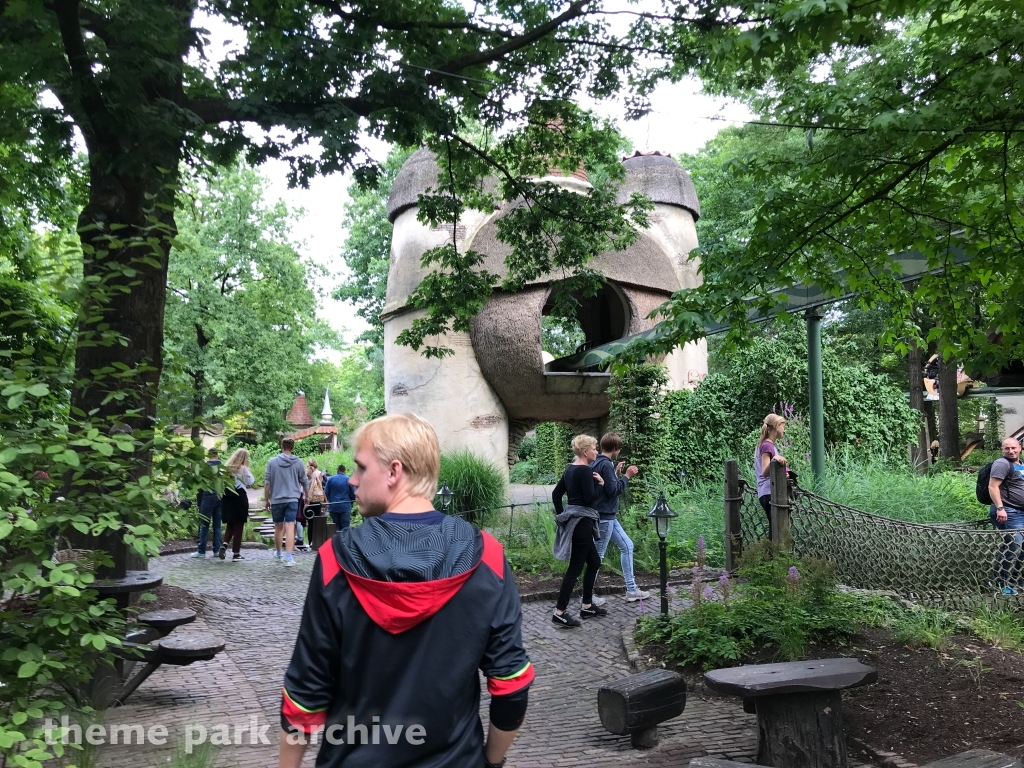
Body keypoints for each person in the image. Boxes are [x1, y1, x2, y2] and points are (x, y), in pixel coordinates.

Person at [278, 413, 532, 768]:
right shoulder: (487, 555)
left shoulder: (335, 560)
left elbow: (305, 694)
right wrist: (490, 761)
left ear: (394, 472)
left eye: (361, 468)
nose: (352, 480)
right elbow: (511, 682)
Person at [550, 434, 606, 628]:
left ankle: (587, 606)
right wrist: (601, 485)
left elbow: (556, 494)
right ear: (585, 451)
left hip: (576, 520)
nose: (597, 452)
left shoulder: (570, 469)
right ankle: (560, 612)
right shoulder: (584, 471)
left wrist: (562, 517)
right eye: (594, 448)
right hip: (582, 523)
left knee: (594, 562)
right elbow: (590, 501)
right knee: (575, 568)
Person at [590, 433, 651, 602]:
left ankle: (631, 590)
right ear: (615, 449)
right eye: (619, 448)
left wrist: (617, 473)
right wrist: (627, 476)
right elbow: (613, 491)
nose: (620, 450)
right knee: (598, 555)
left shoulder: (599, 462)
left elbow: (607, 487)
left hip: (607, 516)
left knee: (627, 546)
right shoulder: (606, 464)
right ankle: (587, 596)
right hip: (604, 517)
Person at [264, 438, 308, 568]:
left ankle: (278, 553)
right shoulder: (299, 462)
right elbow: (305, 481)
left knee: (278, 527)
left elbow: (267, 483)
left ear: (281, 447)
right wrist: (307, 495)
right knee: (290, 526)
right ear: (292, 448)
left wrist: (266, 499)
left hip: (277, 499)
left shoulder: (272, 462)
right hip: (292, 499)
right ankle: (288, 557)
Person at [988, 437, 1024, 594]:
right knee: (1013, 546)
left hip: (1021, 511)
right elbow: (993, 486)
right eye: (1007, 448)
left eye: (1014, 448)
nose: (1011, 451)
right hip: (1008, 511)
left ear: (1020, 448)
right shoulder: (1002, 464)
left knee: (1021, 549)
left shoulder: (1020, 464)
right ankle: (999, 582)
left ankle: (1016, 580)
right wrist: (1000, 508)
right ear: (1002, 450)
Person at [755, 414, 788, 541]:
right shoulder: (767, 446)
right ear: (776, 426)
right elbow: (764, 471)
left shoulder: (768, 445)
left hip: (767, 492)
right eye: (783, 426)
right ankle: (773, 558)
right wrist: (775, 459)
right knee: (776, 531)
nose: (784, 430)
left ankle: (773, 558)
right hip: (769, 492)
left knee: (776, 528)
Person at [221, 448, 254, 561]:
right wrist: (247, 468)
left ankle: (224, 544)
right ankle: (236, 553)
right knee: (239, 525)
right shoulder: (243, 469)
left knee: (230, 524)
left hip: (228, 497)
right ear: (244, 458)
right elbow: (251, 481)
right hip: (240, 497)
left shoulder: (225, 469)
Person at [192, 448, 224, 559]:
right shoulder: (223, 468)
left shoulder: (204, 468)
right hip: (219, 498)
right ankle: (216, 550)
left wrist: (199, 502)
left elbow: (200, 487)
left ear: (208, 455)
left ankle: (201, 551)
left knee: (204, 525)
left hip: (207, 498)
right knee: (217, 526)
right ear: (217, 455)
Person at [324, 463, 356, 529]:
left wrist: (328, 502)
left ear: (337, 470)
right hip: (345, 506)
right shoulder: (348, 479)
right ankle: (344, 539)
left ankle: (337, 538)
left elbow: (326, 493)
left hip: (333, 506)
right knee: (345, 527)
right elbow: (353, 493)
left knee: (335, 526)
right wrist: (351, 502)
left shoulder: (330, 479)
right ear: (344, 471)